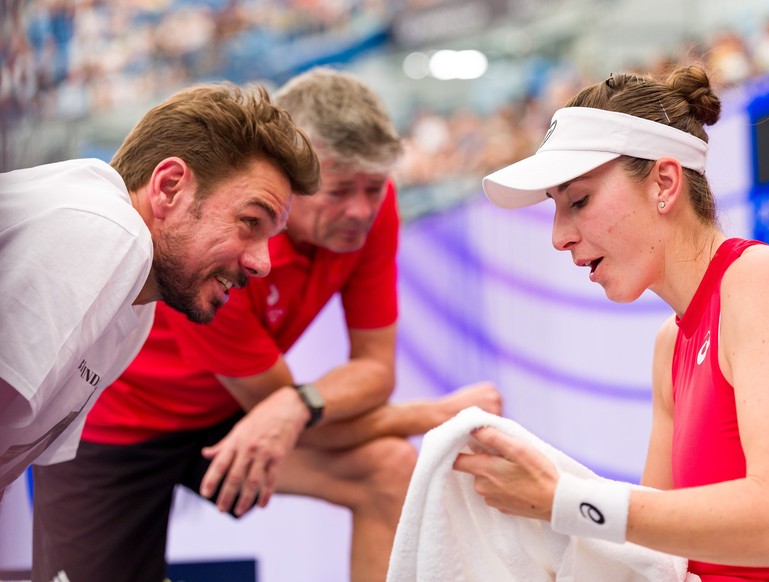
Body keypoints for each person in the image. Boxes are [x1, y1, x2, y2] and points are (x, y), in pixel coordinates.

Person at [31, 67, 502, 582]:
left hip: (234, 410)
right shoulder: (228, 252)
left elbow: (370, 374)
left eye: (374, 187)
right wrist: (433, 414)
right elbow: (288, 415)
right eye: (340, 190)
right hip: (120, 424)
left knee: (388, 471)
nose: (361, 210)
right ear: (291, 184)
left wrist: (297, 404)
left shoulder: (372, 208)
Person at [455, 65, 769, 579]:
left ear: (666, 183)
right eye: (555, 209)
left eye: (579, 201)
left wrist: (565, 500)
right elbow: (655, 562)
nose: (559, 236)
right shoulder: (670, 343)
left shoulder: (764, 283)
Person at [0, 83, 319, 502]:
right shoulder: (109, 229)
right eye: (250, 222)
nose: (263, 263)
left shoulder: (137, 301)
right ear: (169, 186)